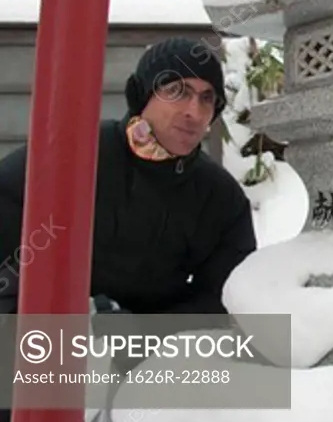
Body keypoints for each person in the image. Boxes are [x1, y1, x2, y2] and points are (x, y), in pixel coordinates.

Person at [0, 37, 257, 317]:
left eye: (207, 98)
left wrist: (139, 334)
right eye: (176, 91)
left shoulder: (218, 197)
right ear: (141, 95)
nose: (193, 112)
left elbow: (226, 299)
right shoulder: (75, 156)